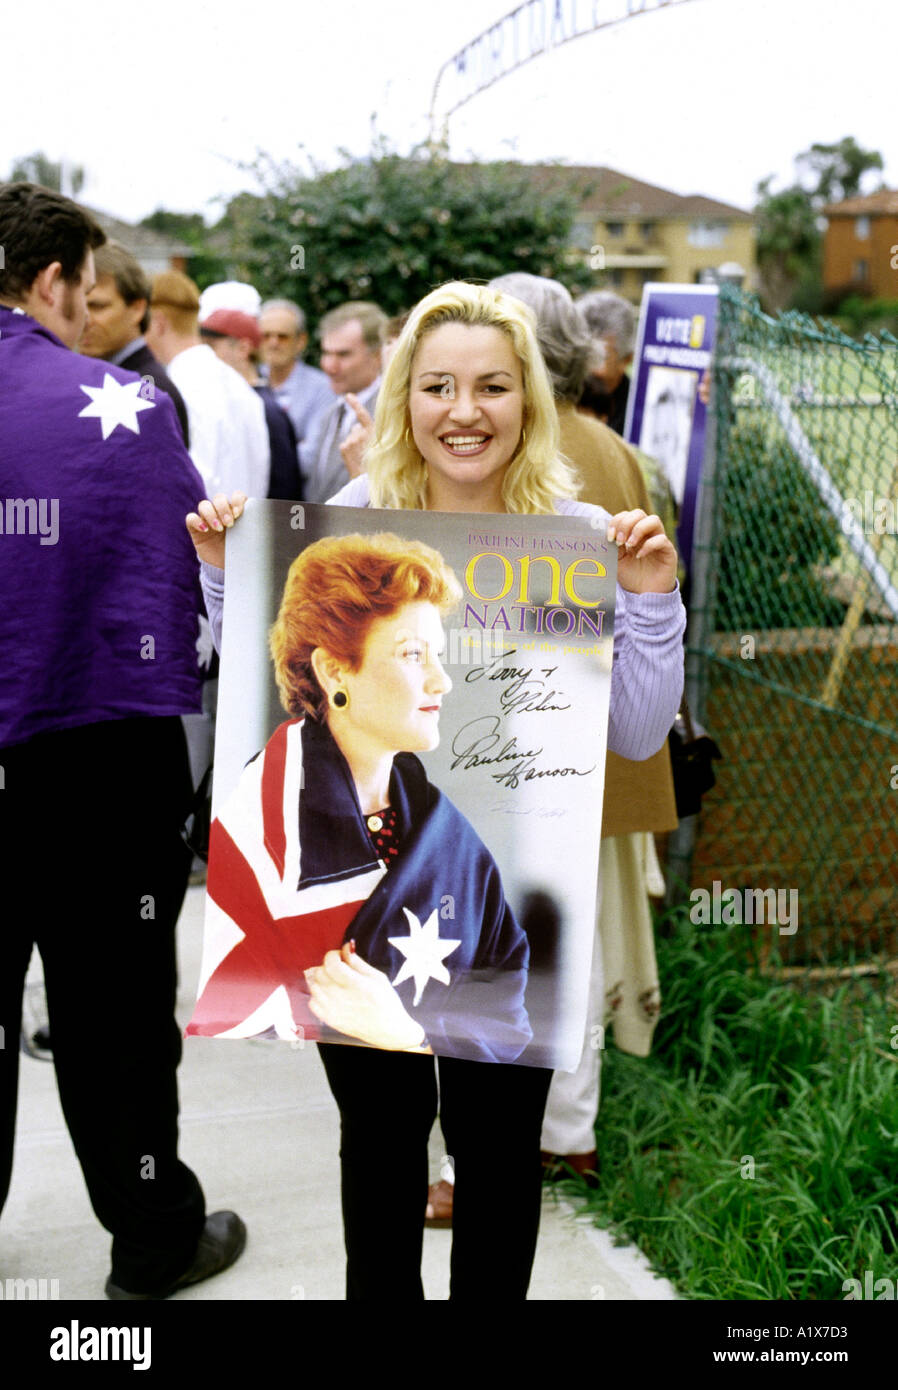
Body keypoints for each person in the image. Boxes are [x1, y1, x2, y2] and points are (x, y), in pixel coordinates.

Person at [186, 280, 685, 1301]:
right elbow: (266, 702)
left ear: (528, 402)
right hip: (359, 912)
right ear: (405, 396)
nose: (465, 410)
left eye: (493, 386)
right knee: (378, 1148)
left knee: (502, 1159)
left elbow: (634, 731)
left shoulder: (581, 535)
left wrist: (653, 601)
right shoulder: (345, 525)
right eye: (441, 385)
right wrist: (226, 575)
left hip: (501, 912)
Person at [0, 181, 245, 1300]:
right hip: (97, 754)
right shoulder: (126, 409)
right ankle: (151, 1238)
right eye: (87, 294)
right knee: (112, 1023)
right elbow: (191, 607)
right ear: (52, 281)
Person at [187, 533, 531, 1063]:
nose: (442, 681)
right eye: (413, 654)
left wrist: (408, 1034)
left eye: (437, 656)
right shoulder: (269, 816)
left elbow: (510, 1019)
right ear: (334, 670)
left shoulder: (451, 839)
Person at [491, 273, 678, 1184]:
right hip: (608, 734)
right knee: (583, 938)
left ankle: (482, 1155)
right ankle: (571, 1137)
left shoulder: (510, 452)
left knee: (517, 941)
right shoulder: (612, 444)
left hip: (528, 735)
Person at [146, 269, 270, 499]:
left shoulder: (177, 389)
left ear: (158, 323)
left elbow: (195, 484)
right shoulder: (238, 384)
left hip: (205, 531)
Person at [79, 240, 190, 445]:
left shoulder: (149, 387)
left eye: (98, 306)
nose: (85, 318)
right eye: (80, 305)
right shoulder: (104, 376)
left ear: (137, 309)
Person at [200, 308, 302, 500]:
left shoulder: (266, 410)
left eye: (211, 347)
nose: (204, 357)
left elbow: (284, 491)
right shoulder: (226, 401)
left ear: (243, 349)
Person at [300, 301, 386, 503]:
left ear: (377, 356)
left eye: (343, 355)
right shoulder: (330, 414)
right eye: (326, 353)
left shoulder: (393, 414)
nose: (330, 366)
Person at [258, 298, 333, 454]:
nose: (273, 343)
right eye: (266, 336)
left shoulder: (322, 388)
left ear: (301, 341)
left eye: (282, 336)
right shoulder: (249, 382)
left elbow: (312, 455)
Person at [576, 289, 637, 435]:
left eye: (597, 357)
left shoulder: (638, 416)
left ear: (626, 360)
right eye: (579, 353)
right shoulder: (553, 400)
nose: (585, 367)